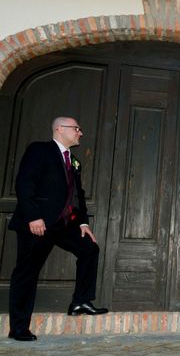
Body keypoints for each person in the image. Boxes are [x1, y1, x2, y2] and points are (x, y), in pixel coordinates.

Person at [8, 117, 108, 342]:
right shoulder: (39, 150)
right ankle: (18, 327)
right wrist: (33, 216)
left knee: (89, 249)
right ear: (60, 129)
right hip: (38, 223)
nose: (80, 133)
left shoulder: (74, 160)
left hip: (63, 225)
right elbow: (24, 183)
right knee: (27, 273)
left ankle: (81, 301)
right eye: (76, 129)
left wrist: (83, 223)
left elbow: (77, 195)